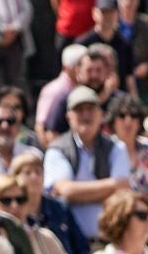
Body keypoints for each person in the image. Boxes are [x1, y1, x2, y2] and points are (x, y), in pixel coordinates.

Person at [42, 86, 132, 245]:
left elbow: (123, 190)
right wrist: (111, 186)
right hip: (70, 243)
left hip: (109, 242)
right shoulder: (56, 150)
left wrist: (78, 191)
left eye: (90, 109)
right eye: (79, 110)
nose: (85, 115)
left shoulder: (116, 148)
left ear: (101, 115)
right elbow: (66, 192)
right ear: (69, 117)